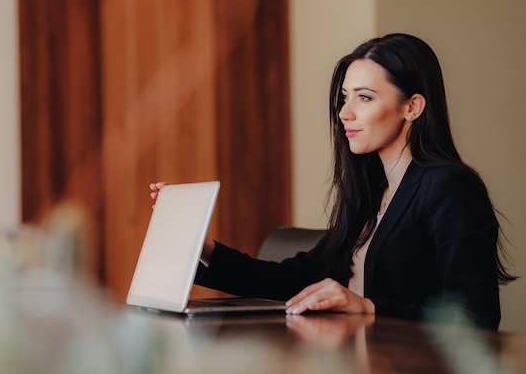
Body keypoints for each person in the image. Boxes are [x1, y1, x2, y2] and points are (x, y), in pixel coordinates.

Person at [150, 33, 515, 331]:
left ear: (412, 107)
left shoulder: (450, 188)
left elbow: (476, 318)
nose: (344, 113)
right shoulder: (370, 192)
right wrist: (206, 247)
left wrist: (369, 308)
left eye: (364, 98)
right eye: (344, 98)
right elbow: (291, 280)